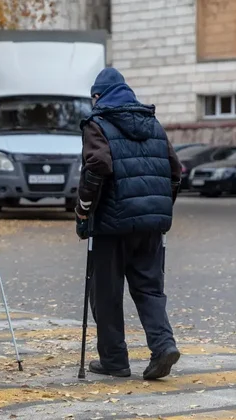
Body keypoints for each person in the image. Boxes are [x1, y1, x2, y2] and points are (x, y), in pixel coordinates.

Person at [75, 67, 183, 380]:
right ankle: (163, 345)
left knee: (106, 293)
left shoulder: (97, 124)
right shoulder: (153, 124)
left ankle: (114, 360)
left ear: (98, 96)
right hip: (151, 225)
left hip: (111, 224)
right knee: (149, 289)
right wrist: (160, 206)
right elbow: (175, 172)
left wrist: (84, 211)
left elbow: (98, 165)